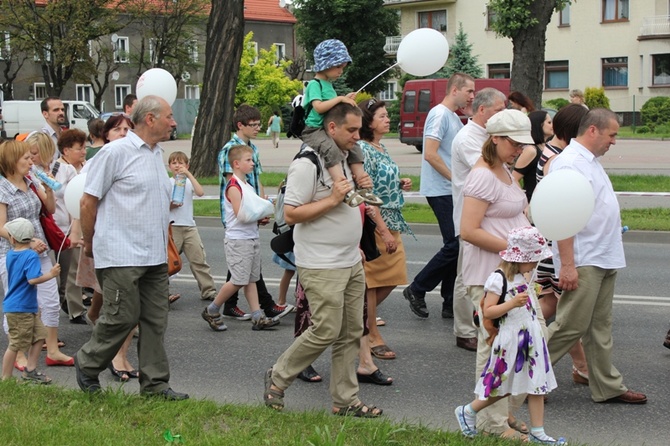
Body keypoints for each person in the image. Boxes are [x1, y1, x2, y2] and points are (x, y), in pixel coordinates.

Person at [264, 103, 382, 417]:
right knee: (327, 330)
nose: (358, 136)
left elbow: (350, 206)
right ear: (331, 129)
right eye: (351, 130)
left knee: (350, 333)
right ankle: (278, 376)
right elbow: (291, 213)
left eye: (360, 130)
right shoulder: (307, 162)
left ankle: (345, 401)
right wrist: (332, 199)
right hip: (320, 263)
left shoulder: (343, 158)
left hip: (349, 261)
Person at [75, 95, 188, 400]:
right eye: (169, 116)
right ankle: (87, 364)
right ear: (149, 119)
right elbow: (88, 201)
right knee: (122, 316)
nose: (174, 122)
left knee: (154, 320)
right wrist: (89, 241)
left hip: (153, 254)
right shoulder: (115, 152)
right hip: (121, 252)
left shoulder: (155, 154)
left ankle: (155, 386)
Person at [546, 108, 647, 404]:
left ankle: (607, 386)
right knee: (569, 326)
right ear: (593, 131)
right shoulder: (569, 163)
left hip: (602, 255)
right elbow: (562, 215)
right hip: (583, 257)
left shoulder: (588, 161)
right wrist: (567, 265)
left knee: (599, 327)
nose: (614, 141)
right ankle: (519, 377)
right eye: (612, 134)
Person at [460, 109, 535, 439]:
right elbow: (468, 230)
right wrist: (513, 248)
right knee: (494, 349)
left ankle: (502, 413)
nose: (519, 149)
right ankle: (492, 424)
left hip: (512, 276)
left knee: (530, 343)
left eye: (522, 144)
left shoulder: (503, 169)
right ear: (496, 139)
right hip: (490, 275)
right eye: (514, 143)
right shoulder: (482, 176)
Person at [455, 226, 565, 445]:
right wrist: (512, 303)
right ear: (519, 258)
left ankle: (538, 431)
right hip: (511, 340)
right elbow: (488, 310)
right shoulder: (498, 279)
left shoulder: (524, 276)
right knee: (502, 386)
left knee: (537, 385)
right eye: (533, 260)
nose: (536, 265)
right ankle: (467, 411)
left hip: (530, 339)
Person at [403, 72, 475, 321]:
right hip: (441, 190)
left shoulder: (454, 117)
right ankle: (417, 288)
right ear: (455, 90)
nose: (472, 96)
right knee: (456, 244)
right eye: (469, 91)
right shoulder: (439, 114)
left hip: (450, 189)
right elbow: (431, 154)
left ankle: (449, 302)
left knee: (456, 246)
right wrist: (456, 179)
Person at [0, 139, 72, 369]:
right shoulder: (2, 188)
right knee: (19, 302)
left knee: (50, 302)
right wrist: (27, 242)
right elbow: (1, 226)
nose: (31, 162)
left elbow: (49, 209)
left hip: (38, 251)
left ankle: (52, 350)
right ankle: (18, 353)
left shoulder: (30, 180)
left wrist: (49, 191)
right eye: (26, 158)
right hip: (13, 254)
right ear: (12, 160)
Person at [77, 112, 138, 382]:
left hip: (132, 243)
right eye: (118, 129)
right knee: (114, 304)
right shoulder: (99, 161)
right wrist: (85, 238)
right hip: (105, 241)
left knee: (127, 306)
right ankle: (103, 348)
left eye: (128, 129)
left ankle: (119, 355)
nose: (124, 133)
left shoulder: (138, 158)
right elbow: (83, 202)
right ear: (106, 134)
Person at [533, 104, 590, 384]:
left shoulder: (553, 152)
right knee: (567, 315)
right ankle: (522, 354)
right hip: (556, 245)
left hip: (549, 242)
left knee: (554, 307)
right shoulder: (559, 159)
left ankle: (581, 367)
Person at [218, 104, 291, 321]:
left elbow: (256, 179)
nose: (258, 128)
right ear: (240, 125)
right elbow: (230, 186)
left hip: (252, 210)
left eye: (260, 124)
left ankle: (232, 306)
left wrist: (262, 206)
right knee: (245, 263)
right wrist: (251, 211)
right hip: (238, 212)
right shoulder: (230, 150)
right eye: (253, 125)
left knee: (245, 264)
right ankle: (264, 306)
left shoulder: (253, 149)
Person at [451, 88, 507, 351]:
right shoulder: (467, 139)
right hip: (471, 216)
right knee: (467, 274)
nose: (503, 115)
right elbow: (489, 171)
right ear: (482, 110)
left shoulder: (488, 135)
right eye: (499, 110)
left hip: (490, 216)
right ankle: (464, 329)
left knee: (482, 273)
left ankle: (487, 317)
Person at [357, 98, 413, 361]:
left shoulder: (381, 146)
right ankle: (370, 334)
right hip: (377, 222)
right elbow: (366, 193)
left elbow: (381, 181)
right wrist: (382, 230)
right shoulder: (363, 149)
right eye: (381, 116)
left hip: (394, 218)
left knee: (394, 276)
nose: (387, 119)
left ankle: (357, 317)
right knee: (373, 281)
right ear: (368, 122)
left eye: (386, 115)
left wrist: (398, 182)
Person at [202, 145, 279, 332]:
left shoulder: (247, 186)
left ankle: (257, 316)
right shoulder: (234, 187)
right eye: (248, 160)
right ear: (236, 164)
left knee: (251, 279)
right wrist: (264, 209)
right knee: (238, 280)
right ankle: (212, 309)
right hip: (238, 240)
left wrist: (261, 217)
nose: (252, 163)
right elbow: (242, 215)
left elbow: (250, 214)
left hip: (250, 237)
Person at [301, 39, 380, 208]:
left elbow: (333, 109)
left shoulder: (328, 85)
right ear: (326, 64)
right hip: (314, 130)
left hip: (327, 128)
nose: (341, 71)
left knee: (354, 145)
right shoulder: (314, 85)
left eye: (342, 68)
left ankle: (362, 182)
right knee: (329, 148)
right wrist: (340, 98)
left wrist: (345, 99)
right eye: (338, 67)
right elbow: (319, 107)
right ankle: (343, 187)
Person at [1, 218, 60, 384]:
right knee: (16, 343)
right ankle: (6, 378)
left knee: (41, 335)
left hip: (23, 306)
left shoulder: (11, 254)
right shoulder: (31, 256)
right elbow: (32, 280)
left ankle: (30, 370)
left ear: (12, 239)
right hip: (20, 308)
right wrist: (51, 274)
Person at [167, 151, 217, 302]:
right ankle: (161, 293)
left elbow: (201, 192)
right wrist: (172, 206)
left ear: (187, 165)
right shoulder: (167, 182)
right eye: (174, 163)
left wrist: (189, 175)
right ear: (169, 166)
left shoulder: (188, 182)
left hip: (189, 227)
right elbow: (161, 205)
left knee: (199, 260)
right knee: (168, 263)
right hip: (173, 227)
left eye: (181, 163)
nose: (177, 166)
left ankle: (209, 290)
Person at [54, 129, 88, 325]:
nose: (83, 152)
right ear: (66, 150)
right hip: (65, 224)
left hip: (79, 220)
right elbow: (57, 191)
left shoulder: (81, 167)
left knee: (79, 265)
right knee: (71, 268)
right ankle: (74, 307)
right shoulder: (61, 167)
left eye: (84, 148)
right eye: (79, 149)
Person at [513, 110, 553, 202]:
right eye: (549, 122)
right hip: (532, 202)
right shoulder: (531, 150)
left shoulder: (547, 146)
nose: (552, 126)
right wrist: (523, 202)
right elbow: (514, 178)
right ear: (539, 125)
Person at [40, 97, 66, 162]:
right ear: (45, 114)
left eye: (62, 110)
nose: (61, 113)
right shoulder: (40, 137)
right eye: (56, 110)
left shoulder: (66, 135)